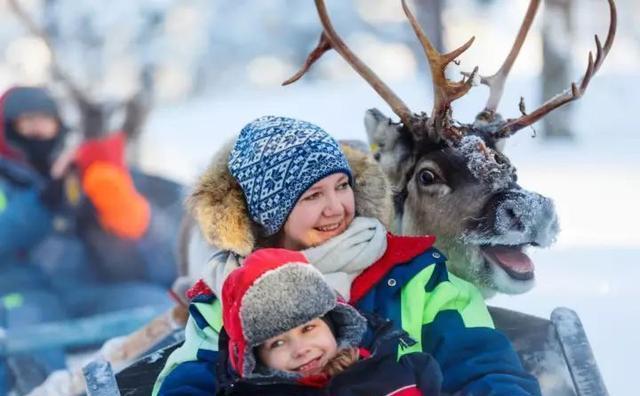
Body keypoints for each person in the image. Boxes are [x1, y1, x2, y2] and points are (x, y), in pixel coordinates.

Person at [154, 115, 541, 395]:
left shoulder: (417, 277)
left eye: (341, 186)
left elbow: (483, 365)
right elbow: (188, 379)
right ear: (269, 216)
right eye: (312, 196)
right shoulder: (227, 297)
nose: (336, 207)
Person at [0, 86, 176, 392]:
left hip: (87, 291)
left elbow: (150, 231)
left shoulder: (75, 169)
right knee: (29, 350)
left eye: (45, 120)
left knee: (160, 311)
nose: (38, 129)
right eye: (27, 121)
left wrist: (110, 203)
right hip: (23, 297)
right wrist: (41, 203)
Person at [217, 247, 442, 395]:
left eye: (308, 328)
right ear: (256, 360)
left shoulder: (393, 369)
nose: (301, 349)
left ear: (333, 325)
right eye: (277, 343)